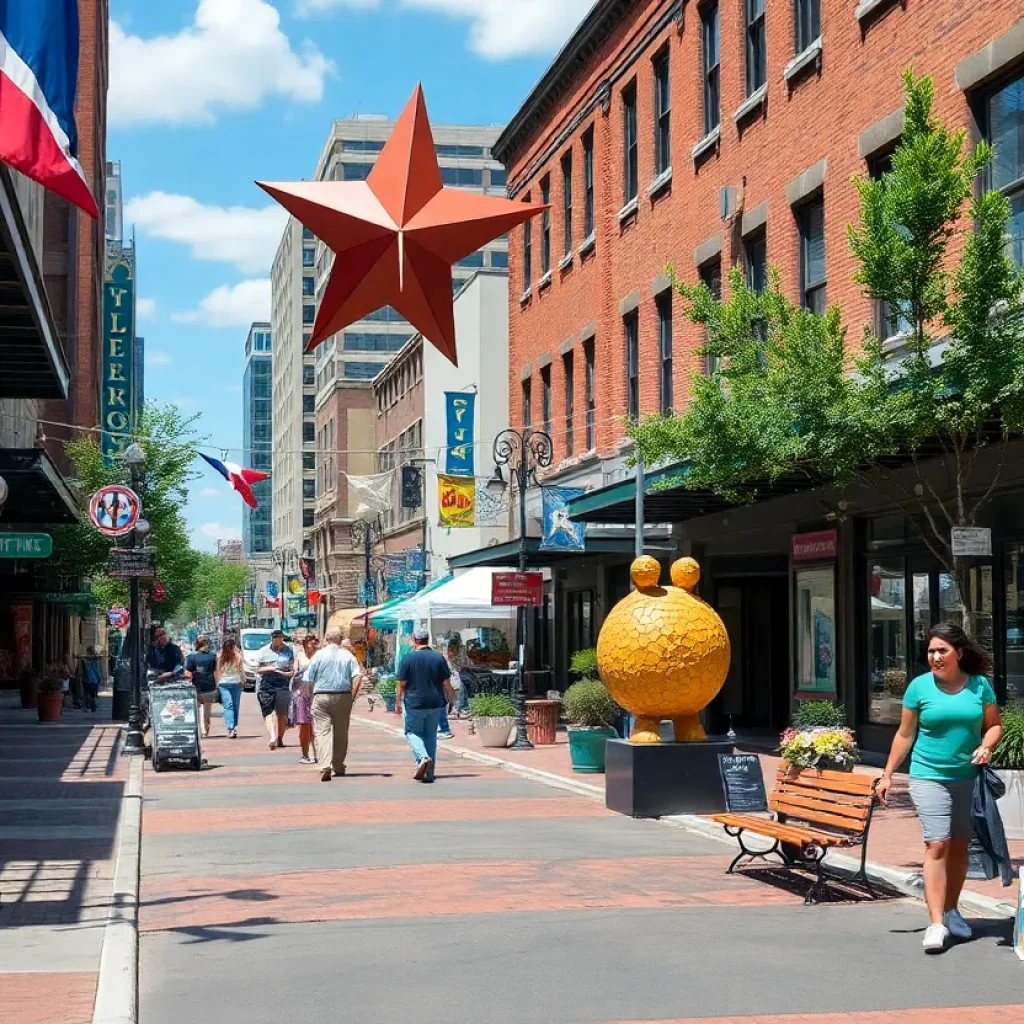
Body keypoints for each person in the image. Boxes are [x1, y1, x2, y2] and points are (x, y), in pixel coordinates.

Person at [878, 623, 1003, 954]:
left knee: (960, 847)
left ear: (958, 653)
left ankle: (951, 911)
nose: (935, 657)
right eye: (931, 651)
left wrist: (987, 746)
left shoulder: (979, 687)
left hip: (967, 778)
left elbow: (994, 726)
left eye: (942, 650)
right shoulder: (919, 688)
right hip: (927, 774)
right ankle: (935, 924)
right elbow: (905, 734)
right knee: (937, 844)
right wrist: (888, 774)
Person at [395, 626, 455, 783]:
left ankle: (423, 757)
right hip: (435, 702)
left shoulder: (407, 658)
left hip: (414, 702)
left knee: (412, 732)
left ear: (415, 641)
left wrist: (398, 702)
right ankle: (429, 772)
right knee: (430, 736)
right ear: (427, 640)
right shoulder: (438, 658)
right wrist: (451, 700)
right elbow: (447, 683)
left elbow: (402, 683)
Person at [307, 628, 363, 781]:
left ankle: (325, 764)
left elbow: (308, 678)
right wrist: (352, 695)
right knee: (341, 732)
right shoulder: (348, 655)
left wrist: (310, 696)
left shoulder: (318, 655)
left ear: (326, 639)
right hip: (343, 695)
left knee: (322, 732)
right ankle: (338, 764)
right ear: (340, 639)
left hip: (321, 695)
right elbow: (358, 676)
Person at [256, 630, 294, 750]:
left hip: (283, 685)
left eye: (280, 638)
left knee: (282, 714)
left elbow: (292, 669)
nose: (278, 640)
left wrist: (287, 673)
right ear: (272, 639)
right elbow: (258, 669)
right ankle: (272, 736)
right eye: (276, 638)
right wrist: (271, 668)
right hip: (266, 686)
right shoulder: (263, 651)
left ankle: (280, 738)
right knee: (268, 712)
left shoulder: (289, 651)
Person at [291, 635, 319, 764]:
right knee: (304, 725)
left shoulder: (320, 656)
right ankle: (305, 754)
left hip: (317, 693)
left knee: (317, 725)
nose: (313, 646)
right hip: (301, 693)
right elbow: (294, 671)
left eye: (315, 643)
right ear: (305, 644)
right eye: (310, 643)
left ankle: (317, 753)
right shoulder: (299, 656)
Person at [184, 636, 218, 738]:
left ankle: (200, 729)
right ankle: (205, 728)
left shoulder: (191, 657)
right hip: (209, 685)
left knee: (197, 709)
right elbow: (215, 671)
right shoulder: (213, 656)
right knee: (207, 709)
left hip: (196, 686)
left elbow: (187, 672)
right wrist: (217, 685)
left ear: (196, 645)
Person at [215, 635, 245, 738]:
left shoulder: (227, 656)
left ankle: (232, 728)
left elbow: (218, 671)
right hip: (230, 683)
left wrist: (216, 683)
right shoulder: (223, 656)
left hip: (229, 683)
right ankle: (232, 728)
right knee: (232, 705)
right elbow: (241, 671)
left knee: (231, 706)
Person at [446, 636, 471, 718]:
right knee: (458, 695)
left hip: (454, 679)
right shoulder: (450, 658)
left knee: (459, 694)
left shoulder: (453, 657)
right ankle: (457, 711)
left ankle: (458, 710)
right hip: (453, 679)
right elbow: (460, 666)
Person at [81, 646, 104, 713]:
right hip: (91, 679)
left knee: (88, 694)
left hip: (91, 679)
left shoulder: (94, 659)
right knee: (90, 694)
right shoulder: (85, 659)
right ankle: (89, 707)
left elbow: (98, 656)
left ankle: (88, 707)